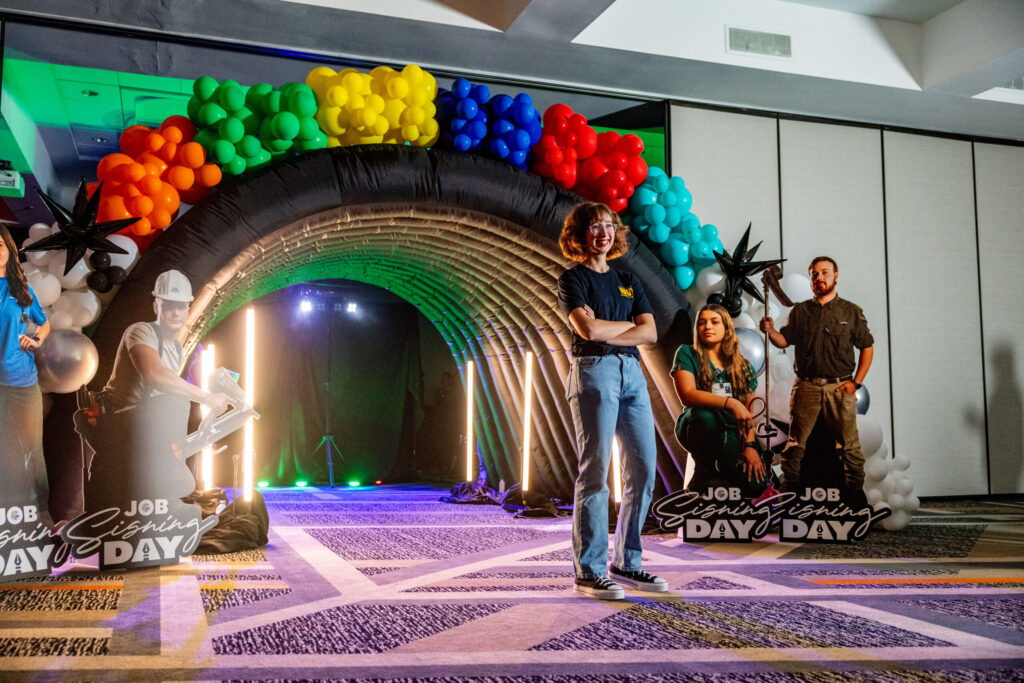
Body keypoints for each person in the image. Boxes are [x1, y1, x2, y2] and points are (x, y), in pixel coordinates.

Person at [557, 201, 667, 600]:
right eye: (593, 226)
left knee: (643, 469)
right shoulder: (573, 279)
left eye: (608, 225)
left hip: (632, 373)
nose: (602, 233)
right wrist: (627, 325)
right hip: (593, 370)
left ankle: (627, 562)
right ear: (579, 234)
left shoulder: (628, 280)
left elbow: (650, 333)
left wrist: (608, 327)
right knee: (596, 471)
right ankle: (589, 570)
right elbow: (587, 331)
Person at [85, 269, 229, 508]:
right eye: (168, 305)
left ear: (188, 309)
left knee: (181, 406)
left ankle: (170, 484)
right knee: (178, 402)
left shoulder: (176, 348)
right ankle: (169, 480)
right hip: (118, 420)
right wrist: (206, 397)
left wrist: (200, 434)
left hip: (144, 423)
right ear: (156, 306)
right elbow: (154, 375)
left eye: (180, 306)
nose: (175, 312)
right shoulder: (141, 331)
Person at [759, 256, 874, 499]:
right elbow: (784, 341)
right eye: (814, 274)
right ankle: (791, 490)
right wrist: (770, 331)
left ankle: (855, 496)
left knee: (849, 447)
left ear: (835, 276)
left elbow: (867, 347)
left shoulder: (851, 312)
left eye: (824, 272)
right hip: (806, 387)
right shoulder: (800, 312)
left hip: (839, 388)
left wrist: (856, 382)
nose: (819, 278)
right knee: (795, 445)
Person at [672, 304, 769, 497]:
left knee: (755, 485)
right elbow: (687, 394)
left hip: (731, 430)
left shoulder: (744, 366)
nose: (707, 326)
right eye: (702, 322)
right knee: (704, 417)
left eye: (714, 322)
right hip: (698, 425)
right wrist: (731, 402)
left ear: (726, 328)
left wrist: (749, 446)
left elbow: (748, 414)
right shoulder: (686, 353)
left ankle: (726, 469)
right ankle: (703, 468)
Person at [0, 225, 52, 523]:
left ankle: (43, 512)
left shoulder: (21, 289)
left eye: (0, 245)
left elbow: (43, 323)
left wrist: (37, 341)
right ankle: (9, 513)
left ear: (9, 250)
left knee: (33, 448)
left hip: (23, 382)